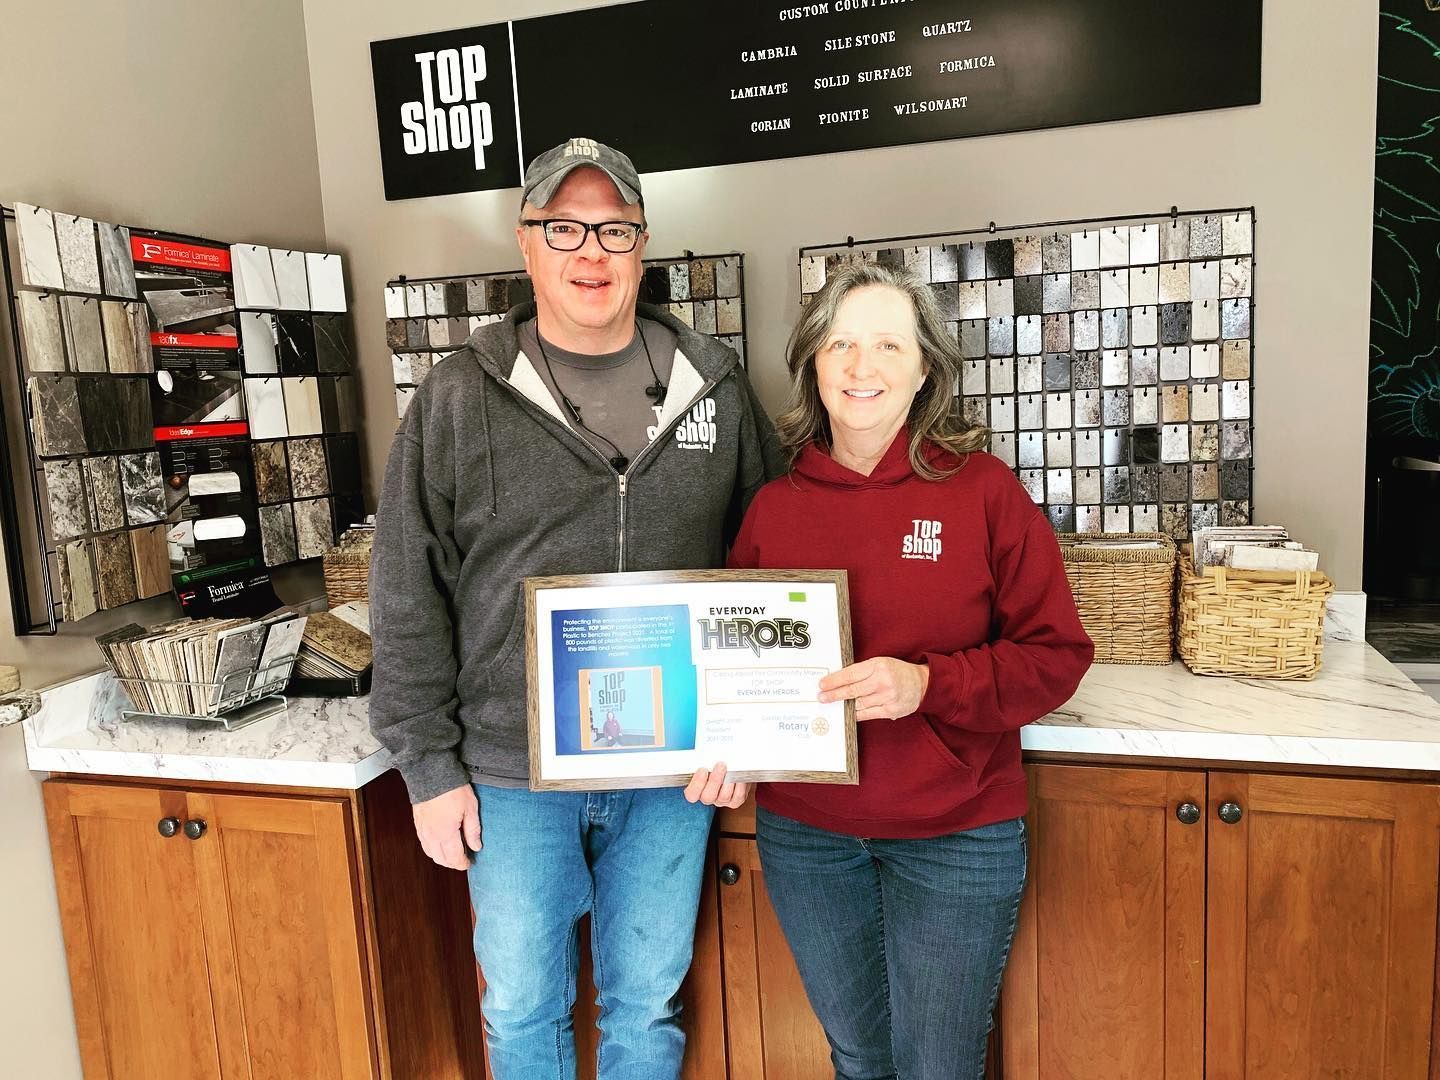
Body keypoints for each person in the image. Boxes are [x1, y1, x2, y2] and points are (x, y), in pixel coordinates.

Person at [369, 137, 781, 1080]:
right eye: (564, 228)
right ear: (527, 244)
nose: (591, 252)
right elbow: (405, 586)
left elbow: (768, 560)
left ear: (642, 245)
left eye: (613, 229)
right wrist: (427, 768)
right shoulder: (458, 395)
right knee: (521, 1008)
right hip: (509, 772)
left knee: (647, 1003)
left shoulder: (715, 384)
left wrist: (752, 730)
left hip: (673, 770)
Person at [713, 262, 1094, 1080]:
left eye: (889, 344)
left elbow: (1057, 655)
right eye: (841, 344)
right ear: (813, 364)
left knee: (938, 1065)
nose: (862, 366)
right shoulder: (774, 509)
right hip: (808, 836)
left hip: (956, 834)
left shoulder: (983, 492)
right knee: (857, 1057)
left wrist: (928, 685)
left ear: (925, 370)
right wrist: (728, 750)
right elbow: (735, 672)